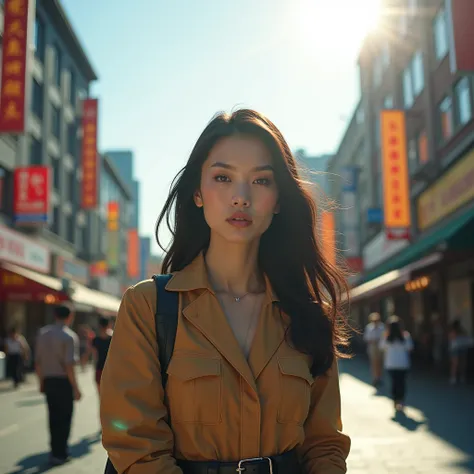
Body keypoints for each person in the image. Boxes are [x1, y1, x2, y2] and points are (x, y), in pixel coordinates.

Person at [100, 109, 351, 474]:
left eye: (261, 181)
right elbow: (136, 445)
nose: (240, 197)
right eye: (222, 177)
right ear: (198, 194)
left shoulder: (310, 313)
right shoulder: (148, 307)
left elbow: (325, 444)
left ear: (279, 200)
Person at [35, 304, 82, 465]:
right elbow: (69, 365)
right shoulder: (69, 336)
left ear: (55, 315)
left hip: (48, 379)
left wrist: (40, 382)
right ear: (69, 317)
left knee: (52, 416)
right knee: (65, 417)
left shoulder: (42, 334)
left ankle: (54, 451)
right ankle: (61, 452)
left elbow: (38, 362)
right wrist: (76, 387)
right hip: (63, 381)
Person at [379, 316, 413, 412]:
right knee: (402, 383)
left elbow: (381, 347)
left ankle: (395, 400)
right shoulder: (405, 335)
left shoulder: (386, 336)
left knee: (394, 383)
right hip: (403, 363)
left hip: (391, 364)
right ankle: (401, 400)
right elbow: (410, 348)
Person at [91, 316, 113, 390]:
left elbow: (95, 356)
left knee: (100, 395)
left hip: (99, 368)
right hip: (111, 369)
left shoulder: (95, 340)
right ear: (109, 325)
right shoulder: (113, 339)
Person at [363, 312, 385, 386]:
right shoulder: (369, 327)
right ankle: (375, 377)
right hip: (372, 346)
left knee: (380, 362)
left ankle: (380, 377)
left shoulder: (382, 327)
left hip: (380, 346)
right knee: (374, 363)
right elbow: (366, 338)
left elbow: (384, 337)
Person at [448, 319, 472, 385]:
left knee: (458, 363)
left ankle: (456, 377)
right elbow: (451, 337)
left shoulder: (460, 330)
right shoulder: (455, 330)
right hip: (457, 347)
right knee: (457, 363)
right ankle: (456, 377)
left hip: (458, 347)